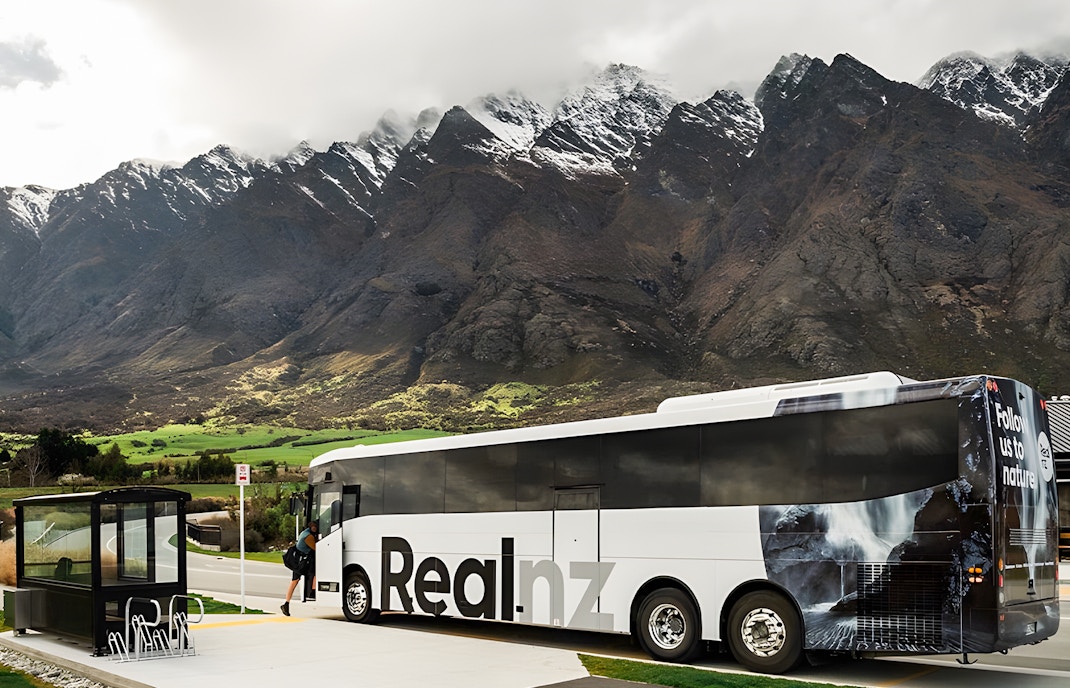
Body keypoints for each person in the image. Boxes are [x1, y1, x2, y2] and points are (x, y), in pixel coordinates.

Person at [281, 520, 317, 616]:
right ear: (310, 526)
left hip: (297, 561)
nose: (315, 528)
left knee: (294, 581)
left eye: (315, 526)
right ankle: (312, 591)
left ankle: (286, 603)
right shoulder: (308, 537)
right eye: (313, 526)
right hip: (301, 562)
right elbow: (316, 548)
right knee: (314, 572)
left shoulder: (305, 532)